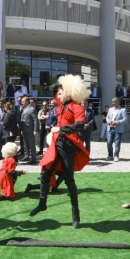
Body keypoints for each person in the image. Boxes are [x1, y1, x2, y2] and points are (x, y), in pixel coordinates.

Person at [29, 75, 90, 228]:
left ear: (69, 93)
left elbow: (80, 125)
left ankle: (75, 212)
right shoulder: (61, 104)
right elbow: (51, 89)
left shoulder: (77, 107)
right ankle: (42, 203)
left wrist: (60, 129)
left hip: (68, 145)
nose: (58, 94)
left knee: (69, 180)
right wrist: (62, 83)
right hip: (56, 144)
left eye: (61, 92)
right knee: (45, 174)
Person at [106, 97, 127, 162]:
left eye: (114, 102)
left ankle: (116, 156)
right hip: (110, 128)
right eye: (113, 102)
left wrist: (116, 122)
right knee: (109, 142)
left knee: (117, 143)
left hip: (118, 128)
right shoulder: (110, 109)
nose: (113, 103)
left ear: (118, 102)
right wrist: (108, 121)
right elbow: (107, 117)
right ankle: (110, 155)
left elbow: (125, 119)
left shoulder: (123, 110)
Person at [19, 95, 38, 164]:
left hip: (30, 130)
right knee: (25, 144)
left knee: (31, 144)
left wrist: (35, 130)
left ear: (27, 101)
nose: (22, 103)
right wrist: (21, 129)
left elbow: (35, 120)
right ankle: (26, 156)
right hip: (24, 130)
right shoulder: (24, 109)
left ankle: (33, 159)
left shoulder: (32, 109)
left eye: (23, 102)